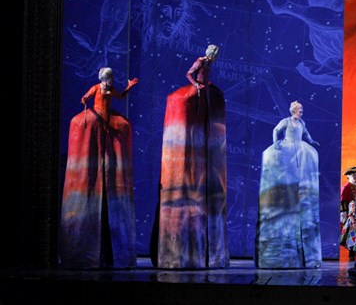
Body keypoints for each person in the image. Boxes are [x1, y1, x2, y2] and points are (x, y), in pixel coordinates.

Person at [154, 44, 229, 269]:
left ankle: (211, 254)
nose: (213, 58)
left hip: (206, 94)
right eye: (213, 55)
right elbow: (190, 73)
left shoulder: (209, 67)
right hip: (197, 91)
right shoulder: (200, 62)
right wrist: (196, 85)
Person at [59, 67, 138, 269]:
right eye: (109, 78)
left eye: (112, 78)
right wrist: (84, 99)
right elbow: (87, 95)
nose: (111, 80)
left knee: (120, 126)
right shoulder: (97, 87)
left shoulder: (111, 90)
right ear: (104, 78)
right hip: (98, 116)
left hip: (107, 118)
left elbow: (121, 96)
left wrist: (129, 86)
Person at [257, 100, 322, 268]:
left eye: (302, 110)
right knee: (287, 171)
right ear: (294, 110)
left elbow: (306, 133)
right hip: (287, 147)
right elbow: (276, 130)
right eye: (299, 110)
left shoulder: (302, 122)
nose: (301, 112)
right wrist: (275, 143)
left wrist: (312, 140)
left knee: (305, 169)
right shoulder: (286, 121)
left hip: (301, 149)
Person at [340, 163, 356, 260]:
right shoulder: (346, 187)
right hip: (351, 214)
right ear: (349, 177)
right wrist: (343, 212)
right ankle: (352, 254)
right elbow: (342, 200)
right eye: (353, 176)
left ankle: (354, 253)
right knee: (352, 233)